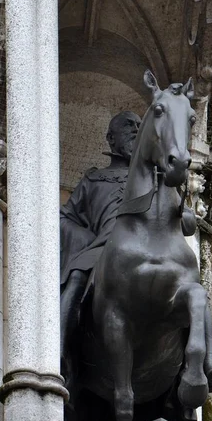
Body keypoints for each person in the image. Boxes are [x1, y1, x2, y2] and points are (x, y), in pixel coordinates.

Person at [60, 111, 142, 386]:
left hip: (146, 247)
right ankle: (59, 352)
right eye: (129, 126)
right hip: (103, 249)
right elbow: (65, 217)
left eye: (140, 127)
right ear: (110, 138)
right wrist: (85, 242)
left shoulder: (153, 176)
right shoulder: (93, 181)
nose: (136, 130)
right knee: (76, 277)